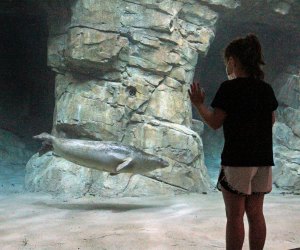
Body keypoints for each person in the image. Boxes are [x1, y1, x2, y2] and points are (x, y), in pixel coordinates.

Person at [188, 33, 278, 250]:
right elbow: (272, 119)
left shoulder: (229, 88)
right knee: (256, 214)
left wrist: (199, 105)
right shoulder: (265, 89)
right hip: (263, 160)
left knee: (235, 216)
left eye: (227, 60)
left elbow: (215, 122)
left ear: (233, 61)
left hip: (238, 160)